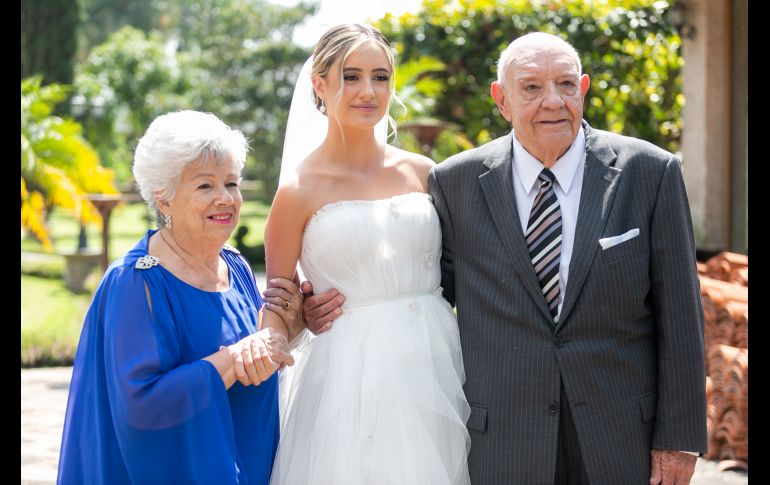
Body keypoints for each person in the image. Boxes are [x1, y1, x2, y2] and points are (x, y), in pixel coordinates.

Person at [305, 32, 708, 484]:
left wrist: (679, 438)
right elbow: (422, 293)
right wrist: (332, 304)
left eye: (566, 84)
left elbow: (681, 318)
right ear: (502, 100)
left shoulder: (651, 172)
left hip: (622, 441)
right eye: (532, 87)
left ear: (585, 88)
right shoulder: (456, 182)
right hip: (504, 442)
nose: (553, 101)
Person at [262, 24, 471, 484]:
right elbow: (279, 305)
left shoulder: (425, 173)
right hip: (348, 377)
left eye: (380, 76)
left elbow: (464, 269)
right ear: (320, 83)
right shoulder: (297, 192)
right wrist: (299, 320)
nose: (368, 91)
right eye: (351, 76)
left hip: (436, 361)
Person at [57, 110, 304, 484]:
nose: (225, 199)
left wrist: (290, 331)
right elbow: (142, 406)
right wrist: (231, 360)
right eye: (205, 186)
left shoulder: (237, 268)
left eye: (231, 184)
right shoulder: (135, 283)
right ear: (164, 200)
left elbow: (258, 360)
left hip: (249, 464)